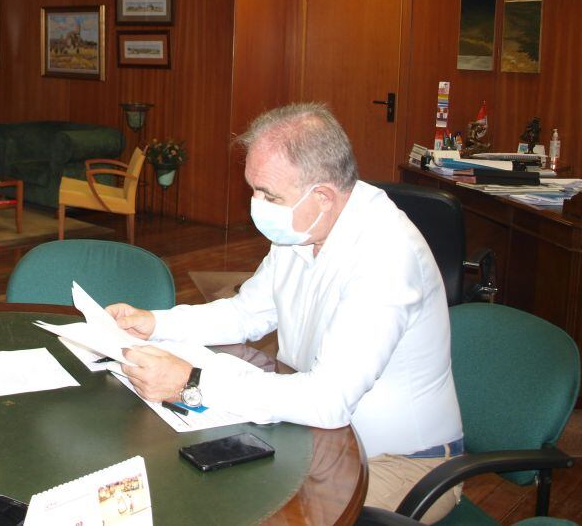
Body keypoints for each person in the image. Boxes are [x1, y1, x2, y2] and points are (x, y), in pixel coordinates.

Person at [109, 103, 463, 522]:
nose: (256, 205)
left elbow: (328, 400)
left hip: (400, 462)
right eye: (254, 189)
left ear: (324, 196)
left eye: (268, 195)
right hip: (314, 437)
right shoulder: (303, 227)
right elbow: (246, 314)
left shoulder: (386, 255)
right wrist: (156, 323)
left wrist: (192, 382)